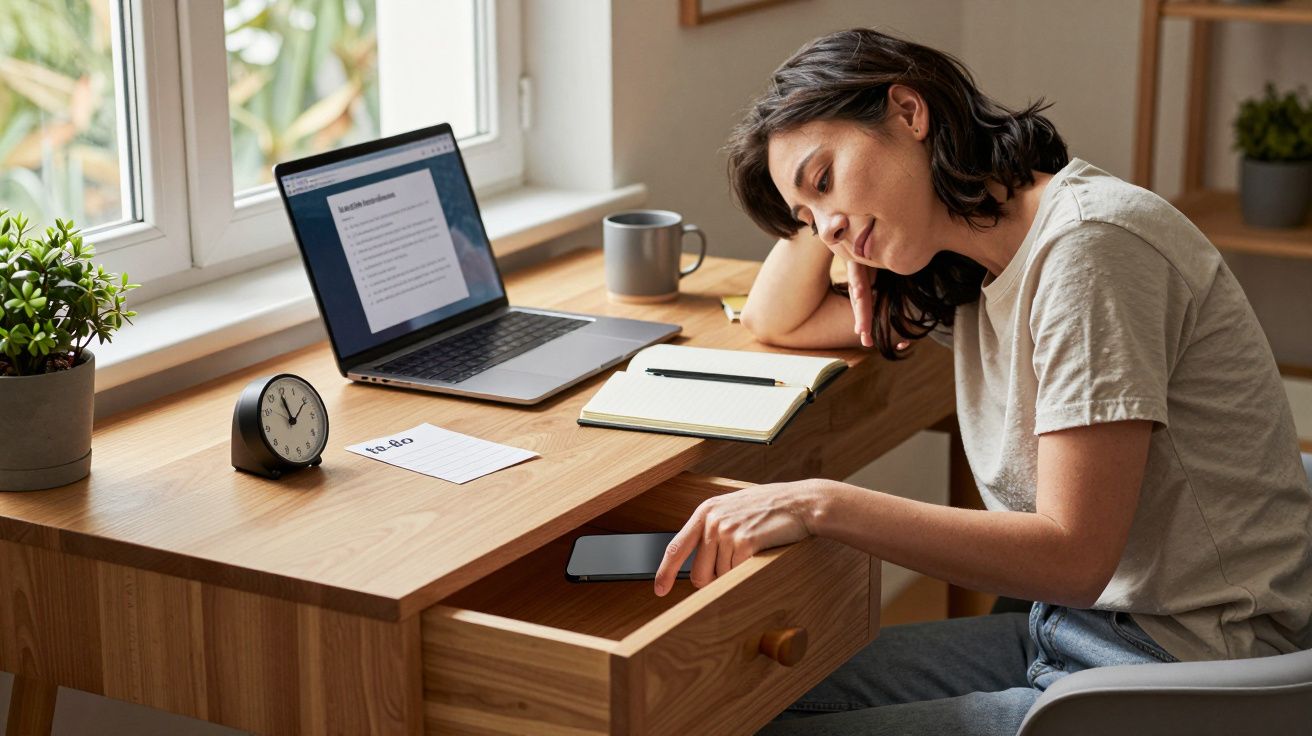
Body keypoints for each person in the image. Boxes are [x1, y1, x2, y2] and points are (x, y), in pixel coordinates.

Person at [651, 27, 1312, 736]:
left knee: (750, 719)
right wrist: (845, 225)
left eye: (825, 176)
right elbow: (774, 317)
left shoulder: (1091, 250)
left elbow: (1074, 558)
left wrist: (822, 505)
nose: (829, 230)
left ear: (909, 113)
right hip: (1076, 634)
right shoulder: (973, 264)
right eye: (807, 219)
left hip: (1183, 668)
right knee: (736, 694)